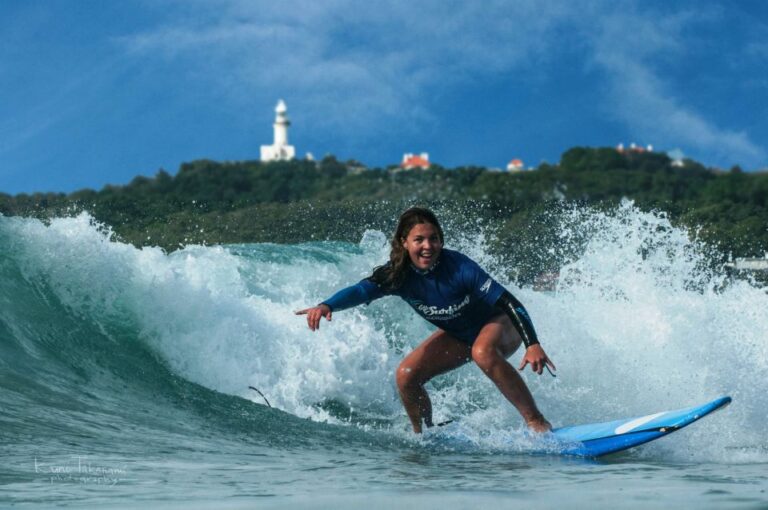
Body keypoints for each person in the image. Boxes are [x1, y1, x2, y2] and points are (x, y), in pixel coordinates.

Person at [296, 207, 555, 434]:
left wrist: (532, 343)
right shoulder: (397, 275)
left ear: (441, 241)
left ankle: (536, 422)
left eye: (433, 239)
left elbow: (511, 303)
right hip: (461, 335)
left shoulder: (459, 267)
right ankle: (426, 435)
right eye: (418, 239)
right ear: (404, 242)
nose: (427, 246)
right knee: (406, 375)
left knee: (483, 352)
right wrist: (326, 305)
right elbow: (361, 291)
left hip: (500, 323)